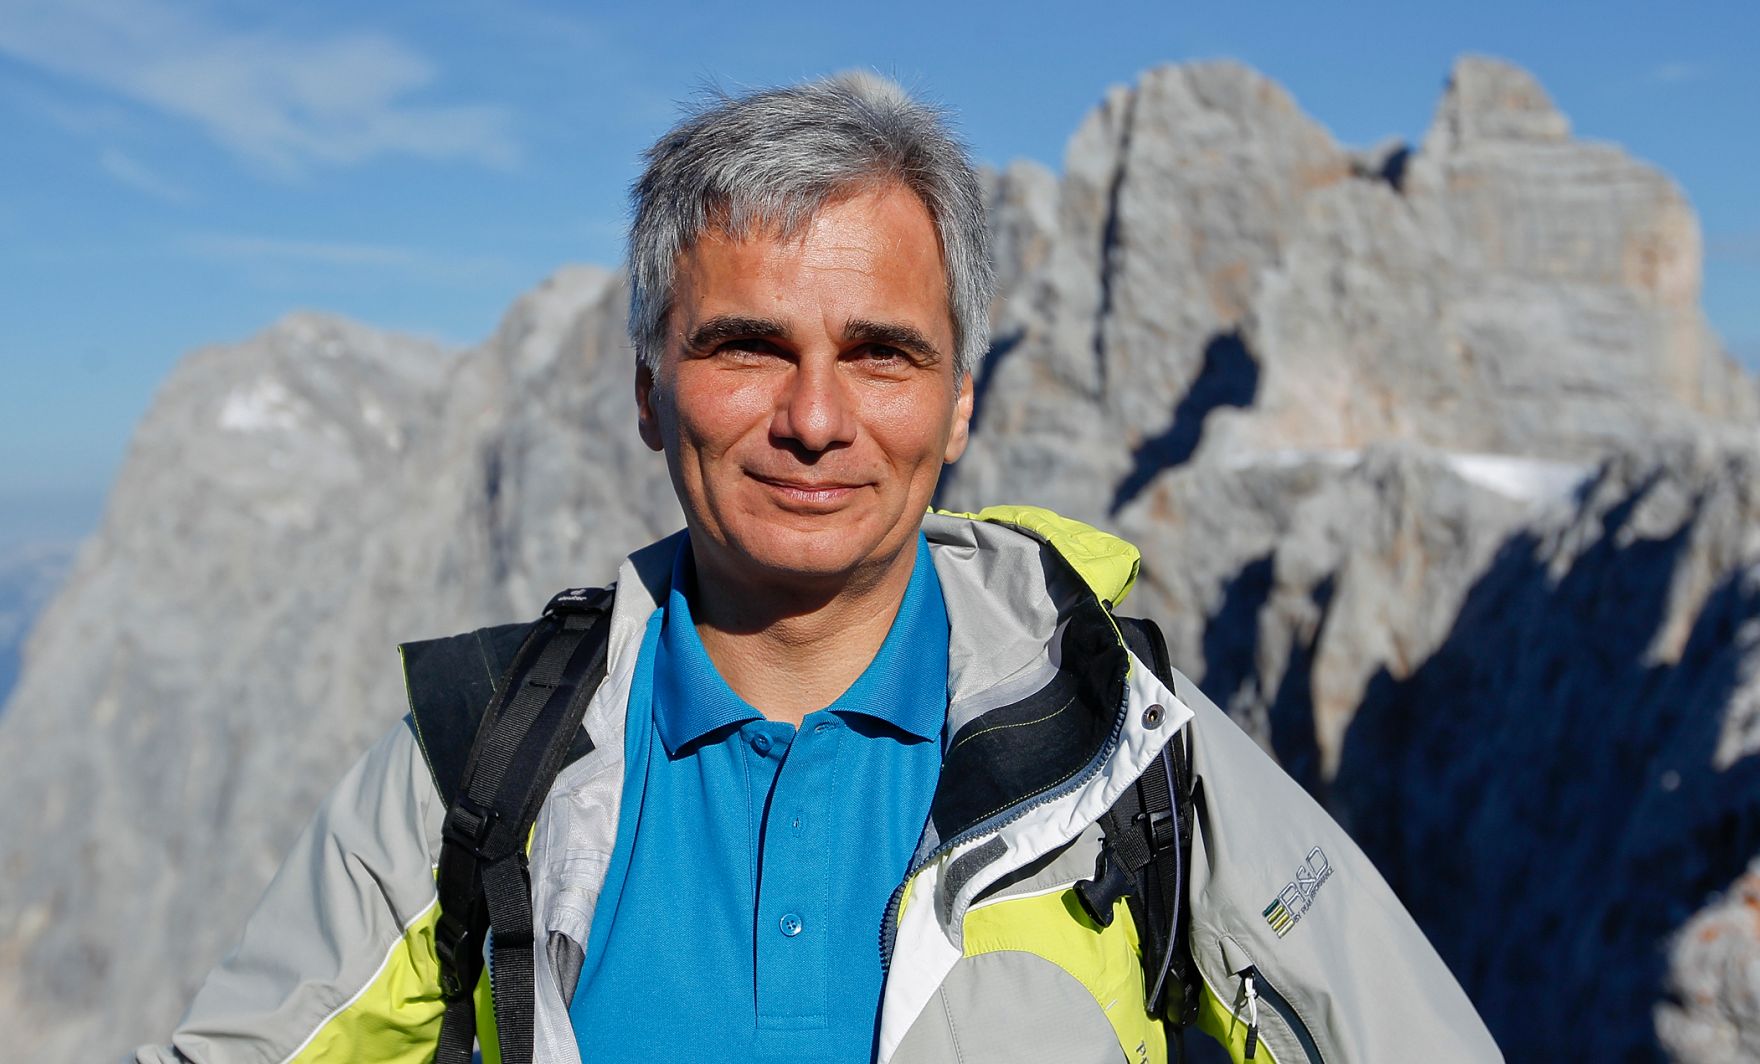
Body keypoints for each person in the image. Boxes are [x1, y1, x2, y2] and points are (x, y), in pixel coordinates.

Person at [139, 73, 1501, 1064]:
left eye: (881, 353)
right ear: (647, 392)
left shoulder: (1134, 744)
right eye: (746, 346)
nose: (813, 417)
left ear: (960, 402)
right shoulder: (478, 761)